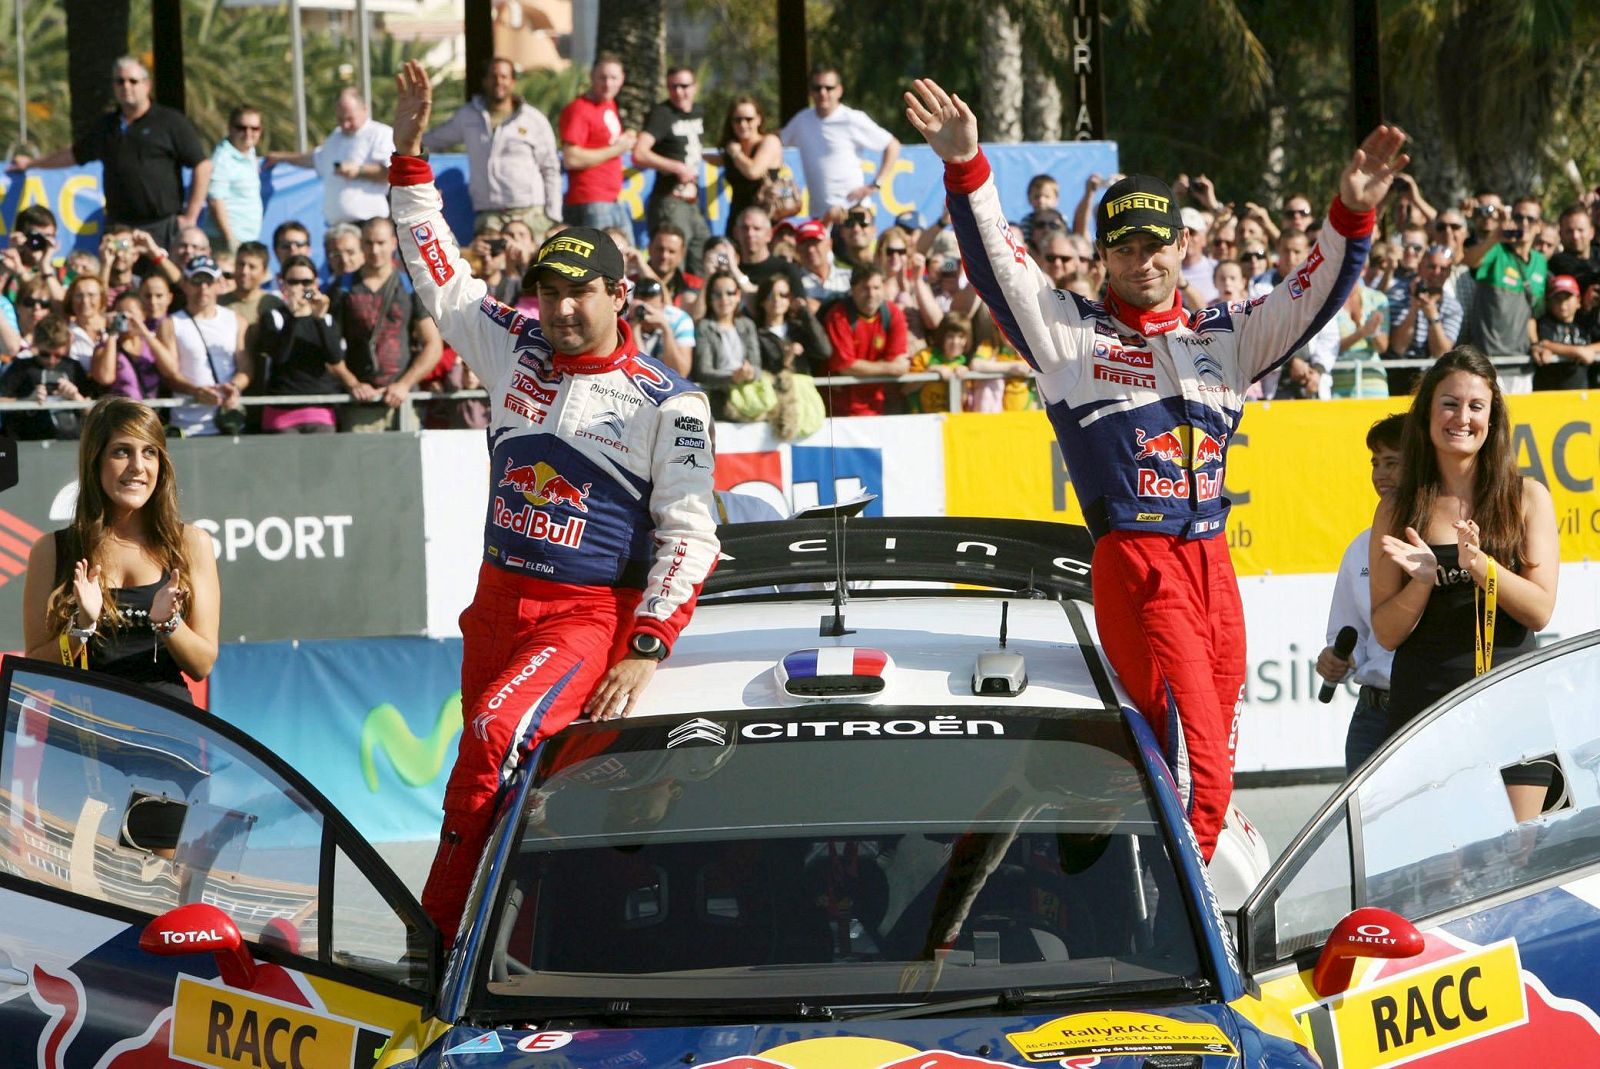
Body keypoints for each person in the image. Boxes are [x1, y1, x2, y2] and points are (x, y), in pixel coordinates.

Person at [906, 77, 1402, 859]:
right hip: (1139, 562)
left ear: (1181, 246)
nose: (1144, 260)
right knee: (1198, 770)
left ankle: (1117, 861)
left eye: (1156, 243)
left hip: (1213, 560)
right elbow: (1002, 267)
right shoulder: (1072, 337)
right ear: (1103, 256)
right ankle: (1187, 900)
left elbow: (1308, 297)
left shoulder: (1225, 335)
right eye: (1126, 247)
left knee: (1214, 754)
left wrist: (1351, 217)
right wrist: (968, 167)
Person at [389, 60, 719, 945]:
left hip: (583, 617)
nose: (564, 308)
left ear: (620, 294)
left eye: (582, 291)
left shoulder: (670, 401)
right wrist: (410, 157)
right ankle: (509, 945)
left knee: (495, 738)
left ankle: (435, 940)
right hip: (494, 601)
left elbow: (692, 536)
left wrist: (645, 646)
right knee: (496, 781)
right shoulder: (514, 343)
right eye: (551, 290)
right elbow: (441, 276)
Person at [1371, 348, 1558, 821]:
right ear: (1427, 414)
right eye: (1449, 404)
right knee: (1442, 859)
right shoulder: (1396, 508)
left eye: (1476, 406)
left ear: (1492, 418)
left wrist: (1482, 568)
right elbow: (1386, 633)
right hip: (1426, 709)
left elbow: (1539, 611)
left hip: (1514, 704)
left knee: (1520, 852)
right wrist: (1421, 582)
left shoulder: (1527, 497)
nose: (1462, 417)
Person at [21, 397, 219, 701]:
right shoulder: (52, 550)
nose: (138, 467)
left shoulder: (191, 543)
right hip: (82, 724)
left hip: (165, 723)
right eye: (122, 451)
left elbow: (201, 665)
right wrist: (81, 628)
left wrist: (168, 623)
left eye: (149, 452)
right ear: (95, 460)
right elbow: (34, 670)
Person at [11, 58, 209, 253]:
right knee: (116, 274)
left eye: (133, 81)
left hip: (161, 228)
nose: (126, 87)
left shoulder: (170, 122)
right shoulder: (107, 126)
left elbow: (202, 165)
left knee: (160, 276)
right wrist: (32, 163)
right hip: (120, 229)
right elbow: (75, 155)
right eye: (120, 81)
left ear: (147, 85)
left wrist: (190, 217)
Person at [1314, 415, 1404, 773]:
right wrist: (1336, 658)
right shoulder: (1359, 548)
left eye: (1392, 462)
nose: (1380, 474)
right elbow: (1348, 636)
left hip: (1432, 711)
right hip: (1372, 716)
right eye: (1375, 463)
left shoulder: (1447, 540)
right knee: (1367, 813)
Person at [423, 57, 561, 241]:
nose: (498, 81)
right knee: (486, 259)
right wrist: (406, 141)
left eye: (504, 77)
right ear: (485, 81)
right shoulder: (468, 116)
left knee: (532, 260)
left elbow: (550, 168)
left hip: (530, 212)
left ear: (513, 82)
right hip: (489, 215)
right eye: (493, 76)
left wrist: (553, 216)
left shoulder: (533, 119)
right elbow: (435, 139)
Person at [330, 217, 444, 431]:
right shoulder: (342, 288)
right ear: (361, 244)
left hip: (403, 401)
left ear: (393, 243)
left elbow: (433, 345)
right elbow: (328, 348)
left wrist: (404, 384)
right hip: (358, 404)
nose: (375, 250)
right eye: (368, 243)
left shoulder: (410, 286)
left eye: (381, 243)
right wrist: (353, 384)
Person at [781, 65, 900, 225]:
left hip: (851, 212)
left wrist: (876, 184)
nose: (823, 93)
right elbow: (777, 140)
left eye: (829, 88)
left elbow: (892, 145)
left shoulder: (852, 118)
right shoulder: (802, 120)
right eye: (817, 88)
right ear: (811, 91)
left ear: (839, 90)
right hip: (819, 216)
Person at [251, 254, 352, 433]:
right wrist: (293, 317)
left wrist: (320, 319)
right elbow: (279, 356)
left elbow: (335, 357)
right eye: (293, 282)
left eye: (306, 282)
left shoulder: (326, 319)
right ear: (283, 285)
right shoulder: (274, 316)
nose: (300, 288)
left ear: (316, 284)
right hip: (282, 410)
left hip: (319, 410)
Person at [269, 89, 395, 226]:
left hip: (369, 224)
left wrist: (359, 170)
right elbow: (314, 159)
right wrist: (281, 157)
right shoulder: (335, 137)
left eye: (350, 119)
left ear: (364, 109)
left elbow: (391, 172)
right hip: (336, 226)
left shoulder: (380, 133)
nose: (345, 125)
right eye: (340, 119)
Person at [155, 256, 249, 437]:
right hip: (187, 425)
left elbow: (246, 368)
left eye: (209, 281)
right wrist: (196, 392)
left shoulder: (236, 320)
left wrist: (234, 387)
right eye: (196, 281)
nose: (203, 288)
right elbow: (169, 375)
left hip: (228, 424)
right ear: (185, 284)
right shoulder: (170, 324)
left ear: (219, 284)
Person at [633, 67, 712, 274]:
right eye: (672, 87)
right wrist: (676, 167)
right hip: (669, 200)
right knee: (673, 264)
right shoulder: (662, 114)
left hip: (692, 202)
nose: (678, 92)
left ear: (695, 87)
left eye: (684, 86)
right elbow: (639, 153)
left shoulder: (699, 112)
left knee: (703, 259)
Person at [559, 52, 637, 232]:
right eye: (602, 78)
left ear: (622, 79)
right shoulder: (579, 109)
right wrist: (617, 149)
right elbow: (571, 158)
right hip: (591, 199)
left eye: (613, 78)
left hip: (614, 199)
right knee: (601, 251)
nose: (608, 84)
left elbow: (603, 141)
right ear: (592, 77)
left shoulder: (609, 104)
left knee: (626, 249)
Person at [1463, 197, 1547, 363]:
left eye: (1530, 219)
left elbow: (1530, 313)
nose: (1524, 223)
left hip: (1522, 362)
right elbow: (1469, 261)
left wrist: (1535, 343)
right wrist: (1495, 237)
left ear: (1539, 226)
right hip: (1488, 362)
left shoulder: (1540, 261)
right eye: (1518, 217)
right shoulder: (1497, 250)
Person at [822, 264, 910, 417]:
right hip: (842, 410)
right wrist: (890, 368)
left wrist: (865, 367)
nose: (871, 294)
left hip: (880, 406)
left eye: (876, 288)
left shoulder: (893, 313)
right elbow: (846, 366)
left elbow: (898, 361)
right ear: (853, 289)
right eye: (865, 288)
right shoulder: (838, 316)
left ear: (884, 288)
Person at [1386, 244, 1462, 397]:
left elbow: (1441, 353)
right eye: (1431, 267)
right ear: (1420, 267)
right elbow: (1398, 347)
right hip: (1396, 375)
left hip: (1431, 378)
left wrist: (1432, 315)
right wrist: (1413, 308)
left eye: (1443, 269)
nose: (1437, 273)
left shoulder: (1453, 307)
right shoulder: (1397, 294)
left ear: (1449, 273)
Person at [0, 316, 90, 439]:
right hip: (29, 442)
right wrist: (27, 400)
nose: (51, 360)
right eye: (44, 354)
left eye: (58, 355)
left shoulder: (73, 367)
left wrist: (75, 396)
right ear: (35, 345)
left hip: (73, 442)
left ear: (65, 347)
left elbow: (93, 412)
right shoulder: (21, 367)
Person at [693, 271, 760, 415]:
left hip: (748, 399)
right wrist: (732, 378)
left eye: (730, 293)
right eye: (717, 294)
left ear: (738, 295)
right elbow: (703, 372)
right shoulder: (704, 327)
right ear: (710, 298)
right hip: (718, 401)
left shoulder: (748, 325)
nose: (724, 299)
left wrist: (750, 373)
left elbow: (757, 367)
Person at [90, 291, 169, 400]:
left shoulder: (151, 344)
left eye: (131, 313)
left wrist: (145, 332)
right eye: (120, 314)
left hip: (151, 409)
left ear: (143, 314)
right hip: (122, 409)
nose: (125, 318)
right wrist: (112, 333)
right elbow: (105, 378)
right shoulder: (105, 347)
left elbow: (170, 371)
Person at [719, 96, 784, 226]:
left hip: (764, 221)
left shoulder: (770, 141)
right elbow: (714, 160)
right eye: (738, 120)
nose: (743, 124)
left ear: (758, 120)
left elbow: (753, 172)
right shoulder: (732, 148)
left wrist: (736, 154)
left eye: (749, 119)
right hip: (738, 221)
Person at [206, 105, 265, 252]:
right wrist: (230, 239)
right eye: (241, 128)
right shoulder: (222, 159)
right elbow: (215, 201)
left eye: (254, 128)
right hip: (226, 241)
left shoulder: (248, 152)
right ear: (230, 128)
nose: (248, 133)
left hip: (247, 239)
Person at [752, 271, 831, 376]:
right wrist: (786, 358)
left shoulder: (798, 329)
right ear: (762, 301)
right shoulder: (756, 334)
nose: (776, 299)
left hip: (802, 385)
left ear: (790, 300)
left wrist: (805, 313)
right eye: (771, 295)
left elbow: (824, 351)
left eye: (783, 295)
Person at [1529, 274, 1597, 391]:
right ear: (1548, 302)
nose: (1563, 303)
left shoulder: (1585, 322)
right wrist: (1578, 351)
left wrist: (1588, 349)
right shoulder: (1545, 323)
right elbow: (1544, 343)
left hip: (1582, 395)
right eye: (1557, 298)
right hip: (1550, 393)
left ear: (1578, 301)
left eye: (1567, 297)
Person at [1331, 274, 1390, 398]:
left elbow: (1382, 347)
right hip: (1338, 387)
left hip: (1374, 385)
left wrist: (1374, 331)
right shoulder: (1328, 300)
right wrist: (1363, 332)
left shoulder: (1377, 299)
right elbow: (1329, 349)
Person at [904, 311, 974, 413]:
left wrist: (961, 380)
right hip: (923, 417)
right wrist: (931, 371)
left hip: (950, 420)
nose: (955, 342)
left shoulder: (963, 363)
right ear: (942, 336)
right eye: (950, 336)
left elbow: (962, 402)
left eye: (961, 337)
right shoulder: (925, 356)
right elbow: (906, 389)